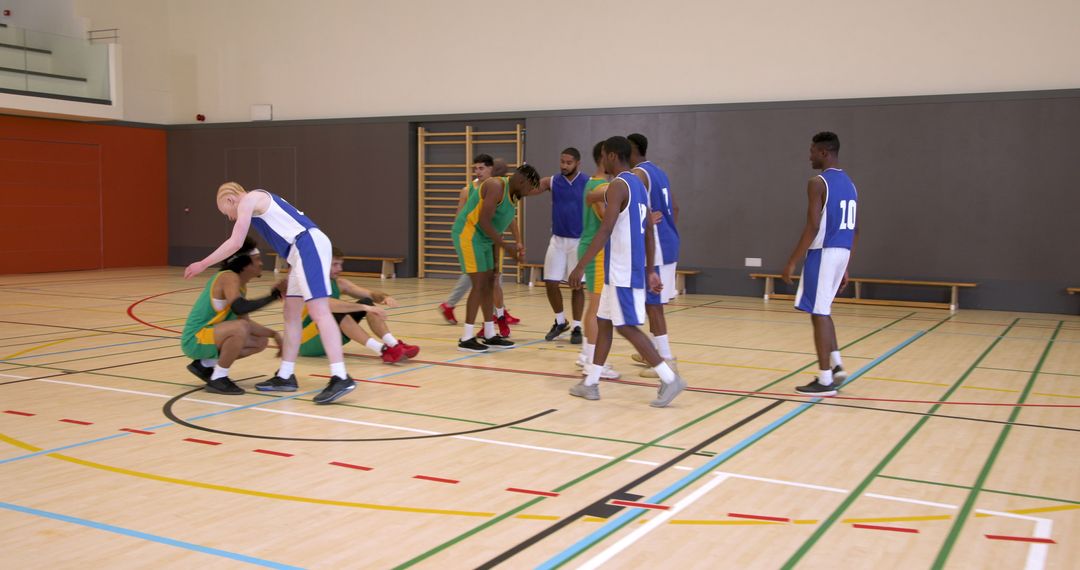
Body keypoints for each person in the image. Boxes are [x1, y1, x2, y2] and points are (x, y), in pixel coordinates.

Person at [185, 182, 357, 405]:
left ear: (229, 200)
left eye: (225, 212)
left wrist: (203, 263)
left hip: (308, 244)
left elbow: (236, 242)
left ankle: (341, 376)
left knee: (319, 311)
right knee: (291, 312)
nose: (229, 217)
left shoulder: (250, 198)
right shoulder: (256, 203)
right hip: (297, 252)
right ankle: (286, 375)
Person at [568, 136, 686, 407]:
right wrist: (651, 269)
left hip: (623, 271)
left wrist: (580, 264)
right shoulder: (639, 185)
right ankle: (591, 383)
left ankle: (669, 378)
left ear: (610, 155)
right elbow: (649, 231)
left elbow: (605, 229)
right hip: (618, 271)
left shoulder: (619, 185)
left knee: (626, 327)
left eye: (603, 156)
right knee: (605, 323)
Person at [782, 131, 859, 396]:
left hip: (824, 252)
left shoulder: (817, 182)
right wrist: (847, 264)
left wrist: (792, 261)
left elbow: (813, 225)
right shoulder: (850, 184)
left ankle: (825, 380)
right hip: (842, 250)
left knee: (820, 313)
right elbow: (855, 228)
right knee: (822, 309)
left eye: (813, 151)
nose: (809, 155)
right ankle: (837, 366)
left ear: (824, 152)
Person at [452, 163, 540, 352]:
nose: (529, 192)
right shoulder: (496, 186)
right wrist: (507, 248)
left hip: (485, 239)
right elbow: (484, 221)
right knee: (479, 284)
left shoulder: (514, 194)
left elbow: (498, 225)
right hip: (469, 235)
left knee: (491, 282)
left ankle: (490, 334)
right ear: (521, 181)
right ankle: (466, 338)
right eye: (529, 188)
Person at [287, 248, 419, 373]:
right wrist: (364, 308)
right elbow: (328, 304)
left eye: (340, 264)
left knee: (367, 302)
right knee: (336, 313)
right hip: (305, 342)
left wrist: (384, 297)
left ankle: (394, 344)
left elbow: (369, 294)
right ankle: (383, 350)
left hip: (326, 334)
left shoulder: (339, 283)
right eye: (335, 264)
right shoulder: (310, 283)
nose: (340, 269)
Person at [181, 238, 283, 395]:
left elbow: (247, 322)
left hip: (209, 336)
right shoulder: (228, 277)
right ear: (245, 263)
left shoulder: (240, 286)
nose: (262, 263)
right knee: (240, 328)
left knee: (260, 341)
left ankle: (205, 364)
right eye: (257, 259)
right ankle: (218, 378)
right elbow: (240, 307)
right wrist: (274, 296)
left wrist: (274, 334)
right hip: (195, 338)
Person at [438, 156, 521, 332]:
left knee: (491, 279)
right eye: (476, 168)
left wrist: (518, 240)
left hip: (490, 239)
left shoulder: (500, 189)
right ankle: (490, 318)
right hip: (475, 238)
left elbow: (510, 218)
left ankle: (496, 315)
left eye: (482, 168)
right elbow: (461, 216)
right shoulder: (469, 190)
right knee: (481, 279)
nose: (478, 171)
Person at [627, 133, 681, 378]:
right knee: (652, 304)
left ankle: (666, 359)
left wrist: (649, 224)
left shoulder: (638, 175)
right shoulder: (659, 172)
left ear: (632, 149)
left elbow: (633, 210)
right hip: (669, 241)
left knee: (653, 305)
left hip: (656, 247)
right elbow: (676, 208)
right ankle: (653, 351)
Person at [574, 141, 619, 379]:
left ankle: (586, 355)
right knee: (597, 308)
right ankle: (592, 362)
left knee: (596, 306)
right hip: (596, 251)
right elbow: (605, 218)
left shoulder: (594, 182)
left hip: (591, 249)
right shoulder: (600, 185)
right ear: (606, 158)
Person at [537, 148, 587, 343]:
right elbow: (532, 187)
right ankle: (560, 321)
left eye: (568, 162)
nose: (564, 166)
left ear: (577, 163)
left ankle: (576, 326)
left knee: (576, 286)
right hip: (557, 240)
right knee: (550, 282)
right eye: (562, 161)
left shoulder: (588, 182)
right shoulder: (553, 181)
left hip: (578, 241)